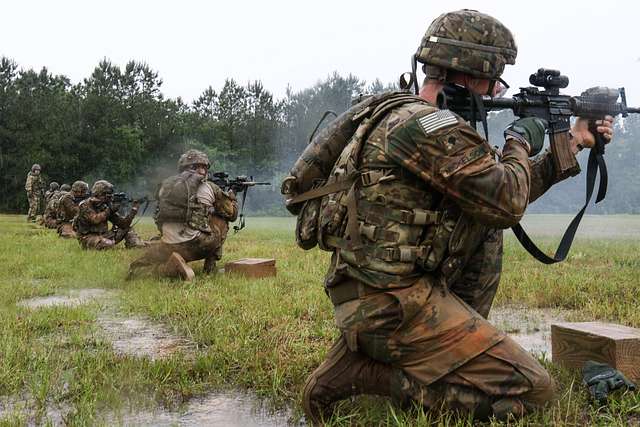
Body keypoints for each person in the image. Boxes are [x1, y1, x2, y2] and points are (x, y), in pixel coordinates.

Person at [300, 9, 615, 423]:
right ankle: (366, 373)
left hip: (375, 294)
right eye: (494, 80)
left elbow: (491, 195)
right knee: (534, 394)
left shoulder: (411, 116)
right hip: (391, 306)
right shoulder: (426, 126)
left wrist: (573, 140)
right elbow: (506, 199)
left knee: (484, 224)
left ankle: (431, 353)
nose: (496, 90)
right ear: (469, 76)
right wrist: (520, 140)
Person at [127, 149, 238, 281]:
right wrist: (232, 198)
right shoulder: (210, 187)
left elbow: (159, 214)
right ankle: (210, 267)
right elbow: (232, 214)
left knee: (137, 268)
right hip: (197, 245)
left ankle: (165, 269)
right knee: (221, 219)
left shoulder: (166, 185)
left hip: (168, 244)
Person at [74, 180, 145, 249]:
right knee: (107, 244)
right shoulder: (85, 205)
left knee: (127, 229)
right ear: (99, 194)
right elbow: (95, 219)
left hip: (103, 235)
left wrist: (134, 209)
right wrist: (110, 209)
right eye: (107, 195)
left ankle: (135, 244)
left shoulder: (105, 206)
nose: (109, 198)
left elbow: (124, 224)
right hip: (87, 238)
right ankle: (109, 243)